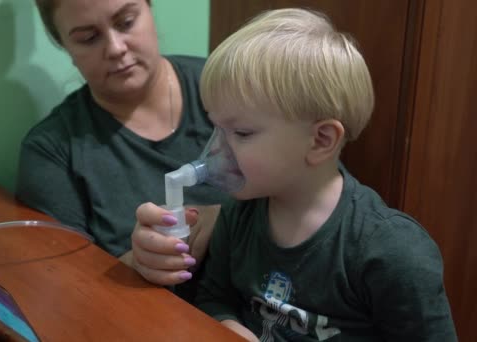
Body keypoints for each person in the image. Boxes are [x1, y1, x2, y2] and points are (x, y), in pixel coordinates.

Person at [136, 8, 457, 341]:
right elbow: (216, 297)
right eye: (216, 126)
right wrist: (231, 328)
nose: (217, 149)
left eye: (242, 133)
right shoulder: (239, 214)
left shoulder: (391, 251)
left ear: (320, 140)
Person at [16, 0, 224, 288]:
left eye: (126, 22)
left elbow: (305, 184)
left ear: (150, 9)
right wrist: (135, 264)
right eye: (89, 38)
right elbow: (66, 288)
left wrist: (228, 218)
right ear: (66, 47)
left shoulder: (227, 87)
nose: (115, 48)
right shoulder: (52, 150)